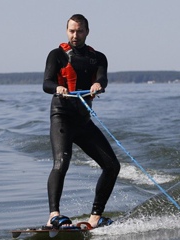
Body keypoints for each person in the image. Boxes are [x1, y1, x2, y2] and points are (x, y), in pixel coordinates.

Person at [43, 14, 120, 229]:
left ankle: (95, 217)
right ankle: (53, 215)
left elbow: (102, 78)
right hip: (62, 118)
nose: (75, 35)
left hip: (83, 121)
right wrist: (57, 87)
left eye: (79, 31)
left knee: (112, 166)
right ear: (67, 31)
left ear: (87, 32)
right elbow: (46, 83)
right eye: (71, 31)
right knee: (62, 163)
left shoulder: (98, 58)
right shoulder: (57, 55)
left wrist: (98, 85)